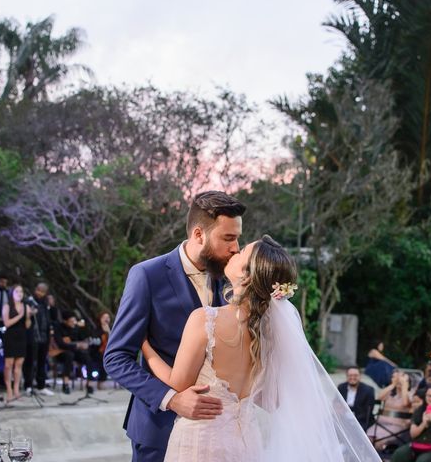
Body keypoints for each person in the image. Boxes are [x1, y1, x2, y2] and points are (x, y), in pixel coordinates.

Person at [141, 235, 380, 461]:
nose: (235, 250)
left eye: (242, 251)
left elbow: (177, 384)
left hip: (201, 441)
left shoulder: (205, 320)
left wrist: (145, 346)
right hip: (247, 444)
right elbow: (271, 401)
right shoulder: (273, 335)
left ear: (245, 277)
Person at [103, 191, 246, 461]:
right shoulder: (146, 276)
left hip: (215, 434)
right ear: (198, 234)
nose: (236, 248)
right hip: (158, 432)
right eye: (228, 238)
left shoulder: (228, 279)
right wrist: (171, 399)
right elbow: (115, 358)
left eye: (237, 238)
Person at [390, 385, 431, 462]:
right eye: (429, 396)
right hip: (417, 444)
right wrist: (423, 424)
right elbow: (413, 434)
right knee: (399, 453)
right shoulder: (420, 410)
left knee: (423, 460)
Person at [367, 369, 413, 451]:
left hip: (397, 427)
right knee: (367, 439)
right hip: (380, 424)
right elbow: (378, 398)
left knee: (378, 442)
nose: (400, 381)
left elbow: (405, 403)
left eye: (403, 379)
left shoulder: (410, 394)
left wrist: (404, 386)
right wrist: (393, 385)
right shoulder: (390, 393)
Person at [22, 282, 54, 396]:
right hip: (33, 335)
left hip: (44, 336)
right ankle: (28, 385)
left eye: (43, 291)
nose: (40, 293)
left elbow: (49, 318)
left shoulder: (45, 303)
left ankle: (41, 385)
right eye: (39, 290)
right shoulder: (29, 301)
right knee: (30, 362)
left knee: (42, 361)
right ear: (36, 290)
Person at [1, 284, 31, 403]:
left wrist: (28, 317)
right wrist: (20, 315)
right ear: (12, 293)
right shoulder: (7, 306)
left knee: (19, 365)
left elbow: (28, 326)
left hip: (22, 337)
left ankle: (16, 389)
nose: (20, 294)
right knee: (9, 365)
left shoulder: (25, 306)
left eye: (21, 291)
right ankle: (9, 390)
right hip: (10, 336)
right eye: (17, 291)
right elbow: (7, 323)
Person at [52, 311, 94, 394]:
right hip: (60, 352)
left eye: (74, 321)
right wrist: (76, 345)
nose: (73, 323)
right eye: (71, 321)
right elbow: (60, 344)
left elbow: (81, 339)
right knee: (69, 356)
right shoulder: (58, 328)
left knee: (87, 357)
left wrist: (84, 343)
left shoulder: (76, 328)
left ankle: (89, 384)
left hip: (74, 351)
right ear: (65, 321)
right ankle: (66, 384)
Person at [338, 366, 376, 430]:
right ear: (347, 376)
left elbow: (367, 411)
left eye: (355, 375)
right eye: (350, 375)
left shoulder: (369, 390)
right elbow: (336, 403)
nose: (352, 377)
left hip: (360, 421)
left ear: (360, 376)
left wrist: (351, 419)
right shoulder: (341, 387)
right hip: (343, 419)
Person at [89, 310, 111, 390]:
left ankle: (102, 381)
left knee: (106, 358)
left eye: (107, 317)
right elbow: (94, 341)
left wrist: (108, 332)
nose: (106, 319)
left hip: (106, 352)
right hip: (96, 351)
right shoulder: (96, 330)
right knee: (101, 359)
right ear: (100, 319)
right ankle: (97, 382)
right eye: (104, 317)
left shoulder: (111, 329)